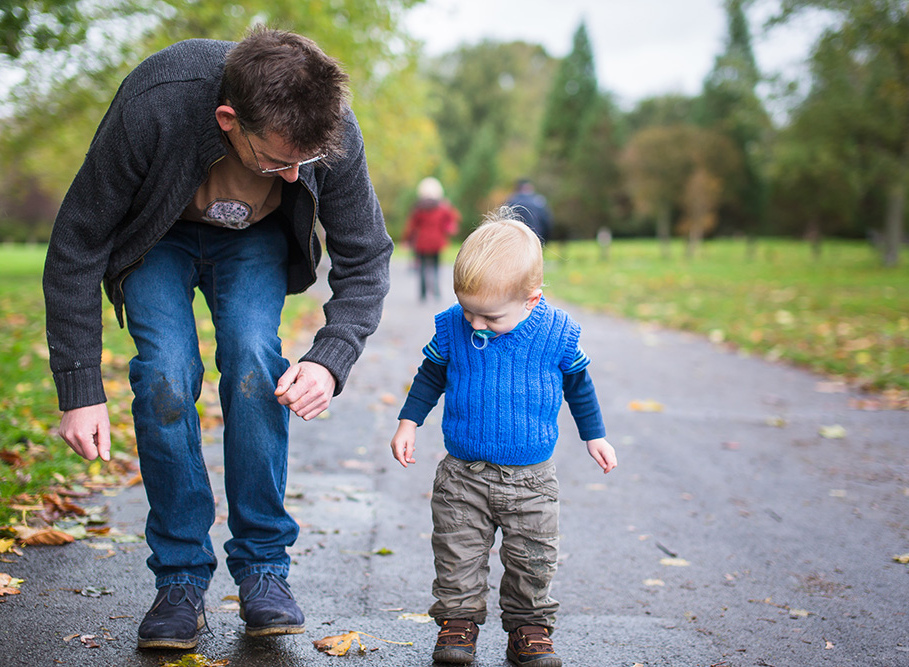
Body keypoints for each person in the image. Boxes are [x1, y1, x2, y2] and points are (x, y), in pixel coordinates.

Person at [43, 26, 393, 650]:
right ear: (228, 119)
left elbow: (365, 257)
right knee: (167, 373)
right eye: (278, 160)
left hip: (253, 241)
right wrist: (79, 388)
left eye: (303, 165)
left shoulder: (328, 127)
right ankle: (179, 579)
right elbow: (77, 242)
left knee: (257, 361)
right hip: (159, 237)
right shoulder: (157, 100)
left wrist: (330, 360)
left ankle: (263, 569)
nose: (293, 176)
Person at [389, 209, 616, 666]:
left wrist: (595, 436)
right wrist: (408, 422)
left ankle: (529, 628)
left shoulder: (557, 334)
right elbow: (430, 374)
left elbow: (580, 386)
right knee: (457, 552)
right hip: (463, 475)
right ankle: (458, 623)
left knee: (533, 558)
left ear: (532, 300)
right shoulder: (456, 325)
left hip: (531, 480)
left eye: (488, 316)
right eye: (468, 310)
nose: (474, 323)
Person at [402, 177, 460, 301]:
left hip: (421, 242)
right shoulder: (443, 208)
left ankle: (423, 293)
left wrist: (407, 240)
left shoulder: (419, 208)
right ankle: (436, 291)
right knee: (435, 267)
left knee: (422, 268)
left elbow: (411, 226)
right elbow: (452, 220)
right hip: (436, 242)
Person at [504, 178, 552, 243]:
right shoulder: (539, 201)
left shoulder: (511, 201)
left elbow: (504, 221)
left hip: (516, 240)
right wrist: (545, 240)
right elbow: (547, 222)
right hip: (536, 238)